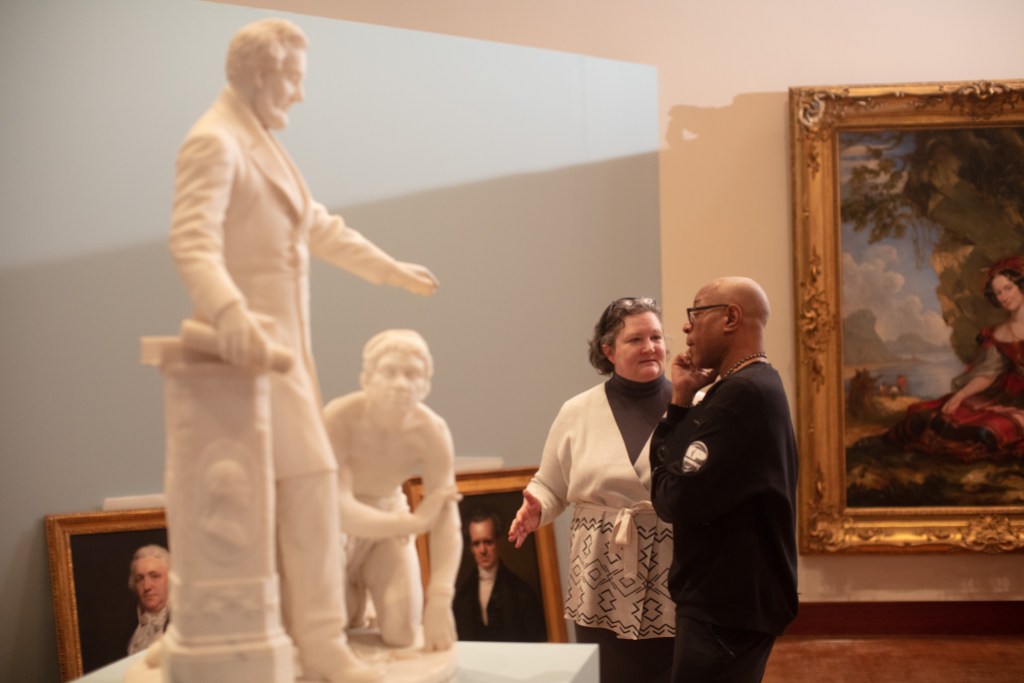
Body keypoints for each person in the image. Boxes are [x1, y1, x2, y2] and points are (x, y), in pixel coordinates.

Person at [168, 18, 443, 682]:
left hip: (284, 355)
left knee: (302, 493)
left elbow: (319, 224)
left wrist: (388, 269)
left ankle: (310, 637)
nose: (299, 94)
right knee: (306, 488)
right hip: (247, 358)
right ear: (262, 75)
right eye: (293, 79)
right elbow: (192, 240)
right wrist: (230, 311)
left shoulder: (256, 139)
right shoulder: (215, 141)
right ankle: (315, 641)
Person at [508, 297, 676, 683]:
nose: (650, 347)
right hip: (599, 571)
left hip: (673, 567)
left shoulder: (690, 406)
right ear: (608, 350)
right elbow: (551, 484)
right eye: (636, 339)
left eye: (656, 336)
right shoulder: (577, 412)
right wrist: (537, 509)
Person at [649, 276, 798, 683]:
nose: (686, 327)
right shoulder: (748, 387)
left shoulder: (742, 395)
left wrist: (677, 416)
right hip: (730, 602)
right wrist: (680, 401)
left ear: (731, 317)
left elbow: (673, 499)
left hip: (724, 607)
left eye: (696, 314)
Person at [323, 330, 462, 651]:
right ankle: (354, 596)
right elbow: (337, 506)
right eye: (390, 371)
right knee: (332, 625)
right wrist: (411, 524)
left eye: (412, 374)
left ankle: (365, 592)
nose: (401, 383)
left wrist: (440, 599)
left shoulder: (431, 431)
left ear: (425, 384)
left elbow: (445, 518)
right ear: (368, 377)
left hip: (387, 519)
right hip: (336, 530)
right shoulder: (340, 417)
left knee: (401, 633)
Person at [885, 256, 1024, 461]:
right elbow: (988, 374)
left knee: (993, 432)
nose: (1004, 296)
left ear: (1020, 285)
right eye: (998, 293)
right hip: (1010, 397)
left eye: (1008, 288)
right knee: (942, 419)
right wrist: (960, 395)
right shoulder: (1001, 333)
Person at [453, 508, 547, 643]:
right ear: (470, 548)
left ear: (499, 542)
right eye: (476, 543)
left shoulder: (521, 593)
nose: (482, 550)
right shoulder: (462, 597)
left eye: (488, 542)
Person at [126, 545, 170, 655]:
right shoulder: (127, 627)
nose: (146, 586)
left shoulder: (183, 625)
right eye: (139, 579)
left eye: (155, 576)